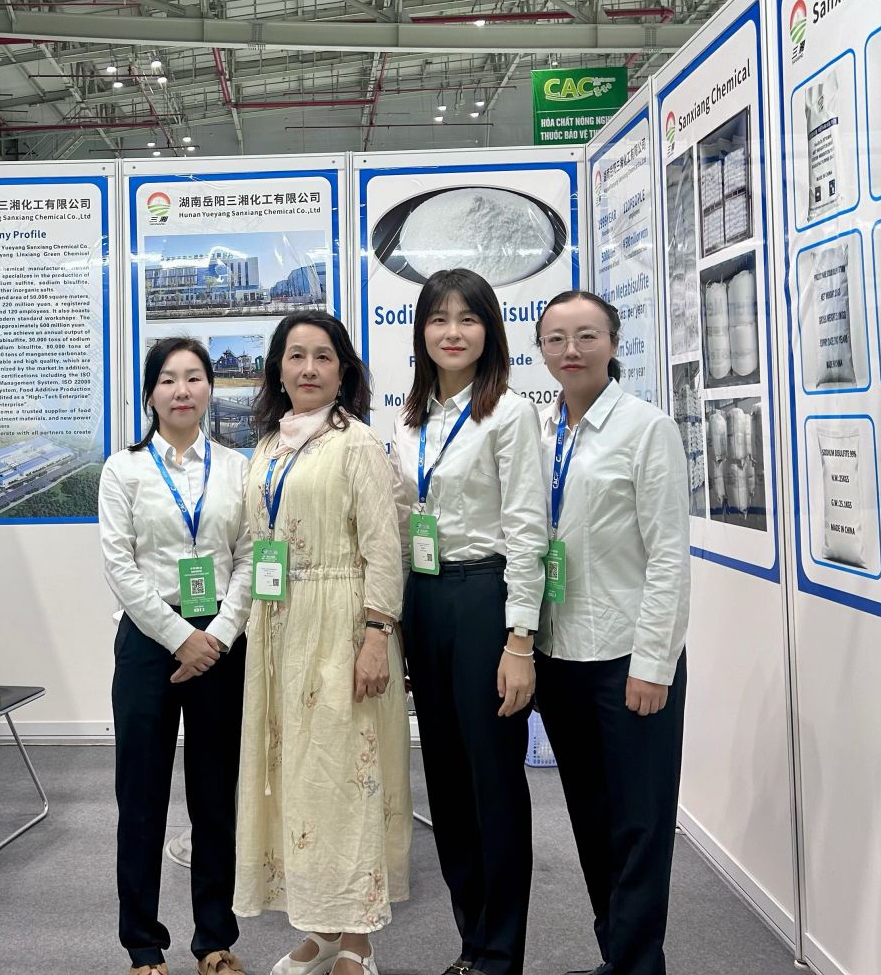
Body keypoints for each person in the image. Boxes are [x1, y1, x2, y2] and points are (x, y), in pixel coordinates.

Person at [232, 311, 411, 975]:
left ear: (343, 371)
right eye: (296, 356)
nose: (308, 369)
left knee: (346, 777)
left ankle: (358, 939)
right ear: (277, 368)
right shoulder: (268, 446)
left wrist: (376, 635)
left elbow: (383, 548)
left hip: (342, 624)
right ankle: (322, 926)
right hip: (280, 626)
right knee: (299, 778)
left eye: (323, 357)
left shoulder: (356, 443)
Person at [389, 268, 549, 975]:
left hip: (485, 597)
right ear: (421, 331)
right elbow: (402, 522)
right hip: (424, 600)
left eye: (468, 319)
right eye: (438, 319)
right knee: (447, 782)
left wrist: (520, 640)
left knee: (493, 781)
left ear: (490, 330)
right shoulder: (410, 418)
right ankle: (470, 941)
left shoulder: (508, 414)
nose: (452, 332)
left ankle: (500, 952)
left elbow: (527, 530)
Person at [531, 290, 690, 975]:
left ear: (614, 344)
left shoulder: (646, 429)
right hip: (560, 655)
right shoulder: (540, 432)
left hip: (629, 657)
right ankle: (619, 957)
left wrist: (654, 663)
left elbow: (669, 556)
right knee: (592, 819)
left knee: (641, 825)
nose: (571, 350)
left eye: (587, 335)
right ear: (541, 350)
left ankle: (637, 965)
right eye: (557, 338)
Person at [99, 337, 254, 975]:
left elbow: (251, 556)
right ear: (150, 393)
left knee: (215, 797)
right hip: (149, 642)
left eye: (193, 377)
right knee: (141, 797)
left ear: (211, 388)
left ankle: (215, 940)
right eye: (168, 379)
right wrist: (178, 637)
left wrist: (217, 634)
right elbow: (120, 565)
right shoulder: (124, 469)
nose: (182, 390)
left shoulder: (238, 467)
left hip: (221, 641)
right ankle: (142, 945)